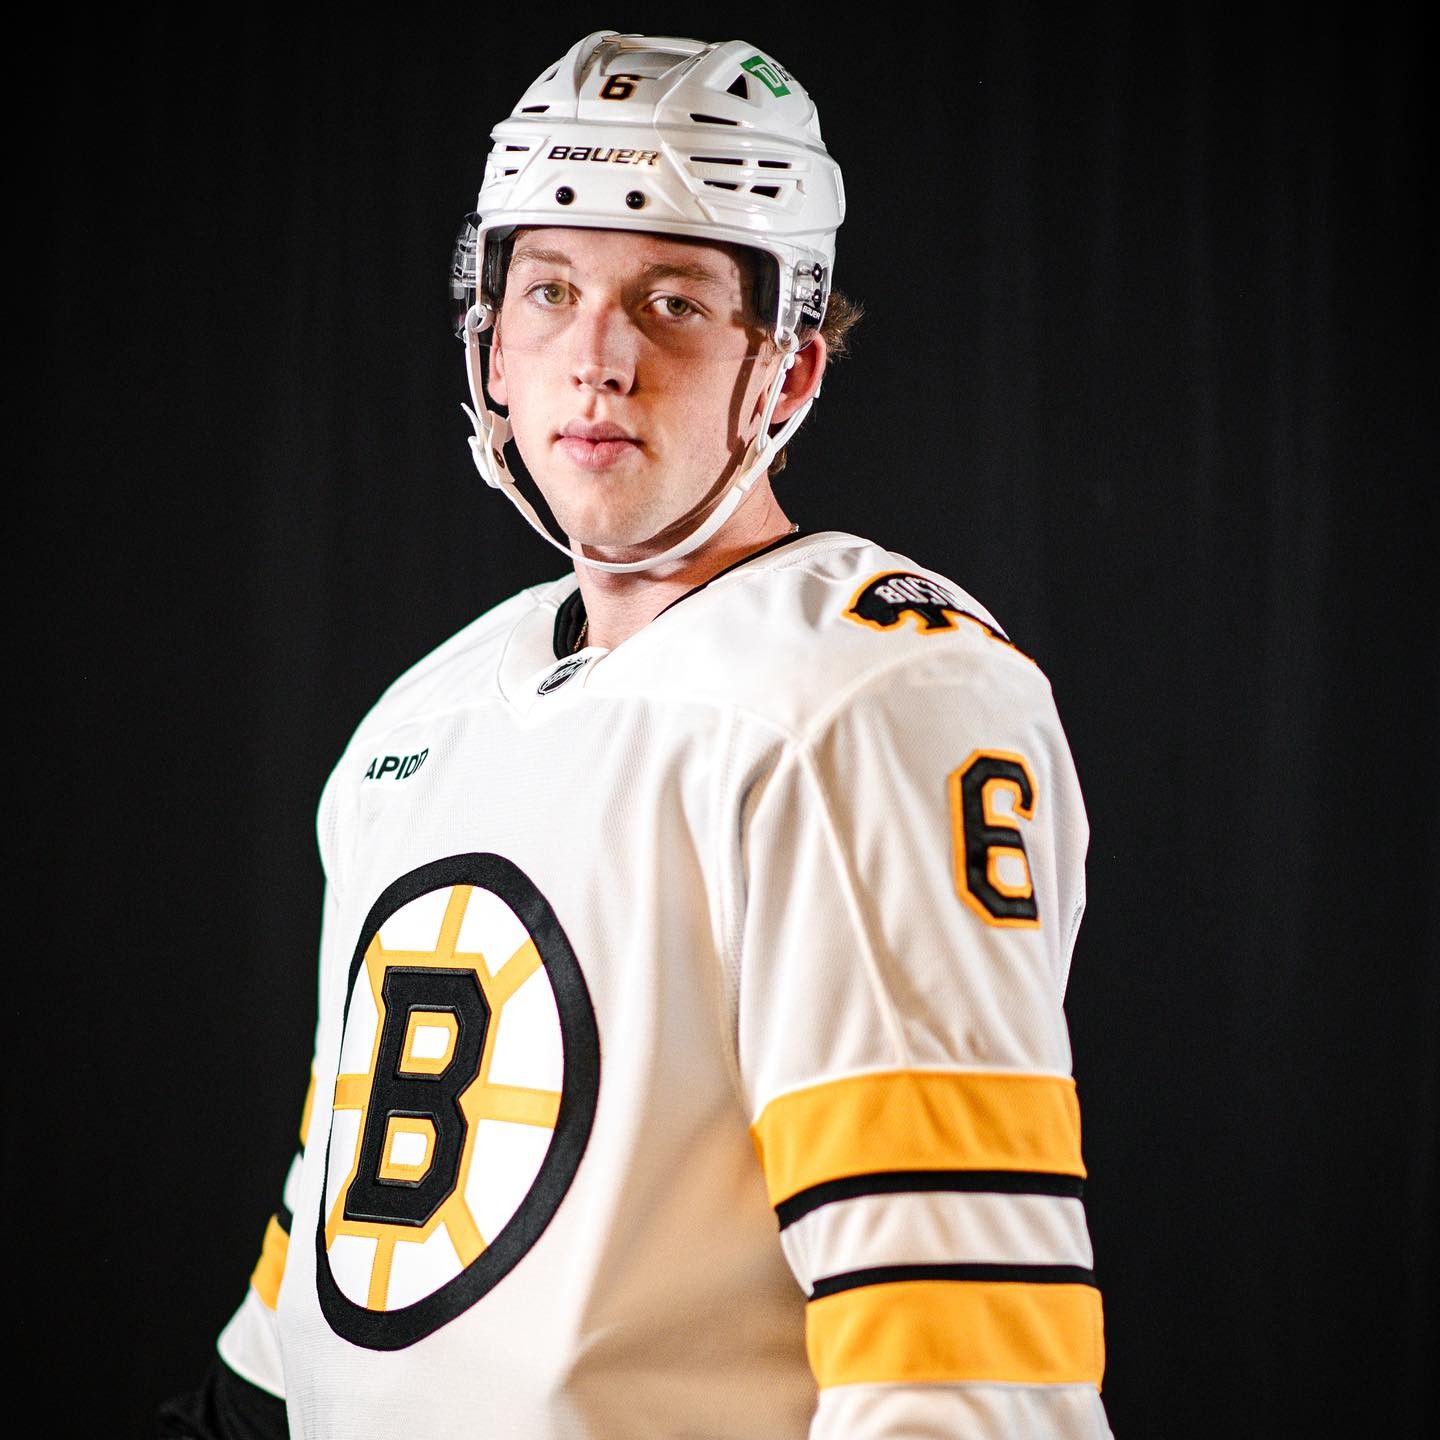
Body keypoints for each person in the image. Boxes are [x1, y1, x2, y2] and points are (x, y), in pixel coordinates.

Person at [160, 30, 1113, 1439]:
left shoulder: (866, 701)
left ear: (788, 370)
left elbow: (953, 1342)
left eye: (671, 302)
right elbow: (329, 1267)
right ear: (491, 340)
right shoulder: (420, 718)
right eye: (550, 291)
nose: (596, 360)